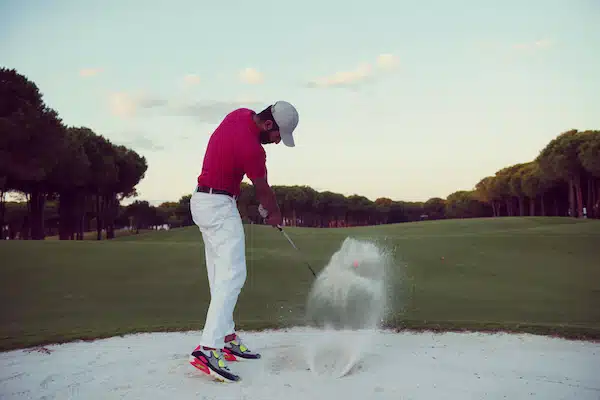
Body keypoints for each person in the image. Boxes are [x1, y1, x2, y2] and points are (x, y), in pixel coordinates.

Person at [188, 101, 300, 382]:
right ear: (269, 124)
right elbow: (262, 189)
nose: (276, 142)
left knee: (220, 275)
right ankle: (208, 348)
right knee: (234, 274)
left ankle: (225, 337)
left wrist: (263, 207)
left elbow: (232, 162)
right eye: (277, 136)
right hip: (218, 205)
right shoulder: (254, 149)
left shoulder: (237, 115)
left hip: (203, 200)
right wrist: (272, 212)